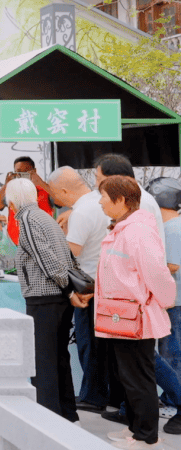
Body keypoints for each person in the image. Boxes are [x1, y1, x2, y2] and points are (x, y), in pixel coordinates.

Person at [73, 176, 175, 450]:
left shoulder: (138, 231)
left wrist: (165, 300)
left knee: (138, 378)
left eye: (104, 197)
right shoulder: (123, 228)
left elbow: (156, 272)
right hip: (120, 315)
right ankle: (135, 429)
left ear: (120, 200)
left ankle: (147, 436)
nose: (100, 202)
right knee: (127, 376)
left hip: (135, 316)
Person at [7, 178, 79, 422]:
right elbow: (66, 256)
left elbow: (43, 257)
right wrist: (69, 289)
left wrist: (67, 287)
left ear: (11, 202)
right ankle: (67, 413)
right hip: (59, 297)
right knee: (59, 356)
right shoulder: (46, 217)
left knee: (43, 358)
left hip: (44, 296)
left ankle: (48, 417)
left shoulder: (26, 219)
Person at [48, 166, 111, 413]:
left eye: (54, 193)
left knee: (89, 343)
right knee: (100, 345)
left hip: (88, 287)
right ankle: (104, 395)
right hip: (104, 283)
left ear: (64, 190)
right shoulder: (99, 201)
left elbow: (69, 254)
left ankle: (94, 397)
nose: (55, 199)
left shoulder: (82, 211)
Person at [149, 177, 181, 435]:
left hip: (175, 302)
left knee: (172, 355)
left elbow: (172, 265)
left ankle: (174, 402)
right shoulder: (170, 226)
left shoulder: (174, 228)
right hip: (171, 300)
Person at [92, 154, 166, 241]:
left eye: (99, 179)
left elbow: (141, 247)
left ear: (116, 178)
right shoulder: (121, 199)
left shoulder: (141, 202)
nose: (97, 184)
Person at [0, 157, 53, 245]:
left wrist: (40, 182)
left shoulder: (45, 191)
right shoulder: (11, 192)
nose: (22, 176)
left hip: (43, 245)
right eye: (19, 172)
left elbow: (63, 199)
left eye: (26, 172)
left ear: (34, 171)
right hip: (16, 246)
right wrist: (6, 185)